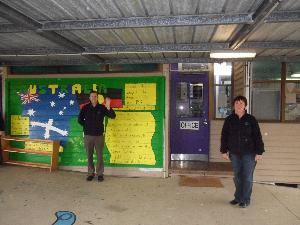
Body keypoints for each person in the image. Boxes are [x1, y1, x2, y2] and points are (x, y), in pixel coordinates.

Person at [220, 95, 264, 208]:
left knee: (247, 177)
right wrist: (224, 151)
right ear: (233, 106)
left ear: (245, 106)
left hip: (249, 153)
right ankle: (238, 197)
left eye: (241, 103)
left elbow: (257, 136)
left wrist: (259, 152)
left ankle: (245, 199)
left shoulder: (251, 119)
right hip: (234, 153)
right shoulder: (229, 119)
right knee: (237, 176)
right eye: (237, 103)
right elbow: (224, 136)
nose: (239, 105)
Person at [78, 91, 116, 182]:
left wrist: (108, 106)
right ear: (89, 98)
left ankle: (100, 174)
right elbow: (79, 120)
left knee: (99, 156)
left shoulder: (102, 108)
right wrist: (87, 126)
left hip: (99, 136)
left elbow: (113, 116)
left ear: (97, 98)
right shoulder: (85, 108)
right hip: (88, 136)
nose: (93, 98)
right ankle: (90, 173)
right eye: (92, 96)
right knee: (89, 155)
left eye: (95, 96)